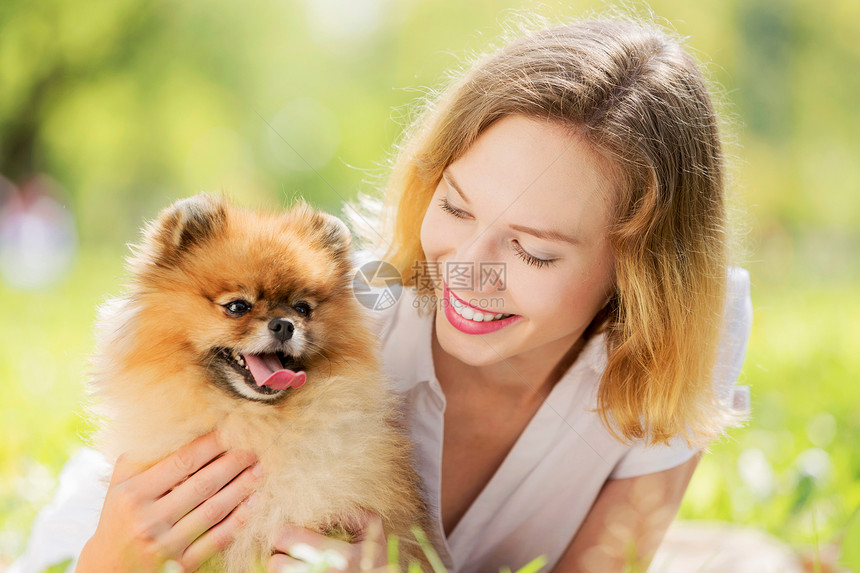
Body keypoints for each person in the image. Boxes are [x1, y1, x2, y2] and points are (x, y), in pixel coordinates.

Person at [11, 15, 752, 573]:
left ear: (642, 270)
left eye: (532, 249)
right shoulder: (348, 313)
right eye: (456, 205)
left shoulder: (693, 341)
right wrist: (106, 554)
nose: (467, 267)